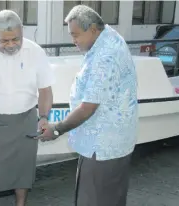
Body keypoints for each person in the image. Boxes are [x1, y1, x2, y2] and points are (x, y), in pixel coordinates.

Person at [35, 5, 139, 206]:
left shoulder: (105, 57)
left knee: (93, 199)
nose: (73, 41)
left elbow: (88, 107)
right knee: (111, 197)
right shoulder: (109, 37)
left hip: (102, 145)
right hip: (112, 141)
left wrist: (57, 130)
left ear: (92, 29)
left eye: (76, 35)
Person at [0, 10, 55, 206]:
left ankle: (20, 204)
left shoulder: (36, 52)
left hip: (26, 120)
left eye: (15, 39)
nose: (11, 45)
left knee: (23, 168)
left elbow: (45, 91)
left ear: (22, 32)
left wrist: (43, 116)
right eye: (4, 41)